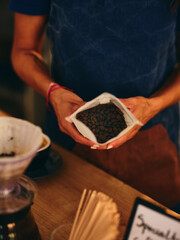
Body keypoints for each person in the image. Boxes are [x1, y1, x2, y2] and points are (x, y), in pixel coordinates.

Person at [9, 0, 180, 209]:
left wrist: (153, 105)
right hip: (70, 136)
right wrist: (52, 91)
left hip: (155, 140)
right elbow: (23, 51)